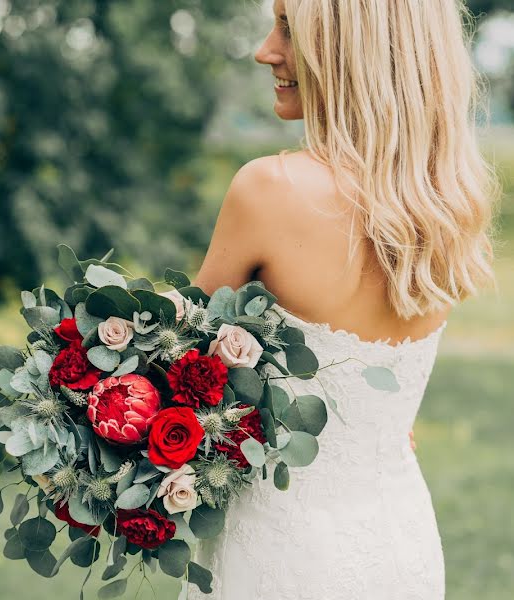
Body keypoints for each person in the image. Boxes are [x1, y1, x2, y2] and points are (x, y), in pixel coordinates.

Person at [189, 0, 498, 598]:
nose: (265, 51)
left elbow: (168, 368)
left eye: (287, 27)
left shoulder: (269, 189)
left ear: (348, 49)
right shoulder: (443, 204)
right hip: (402, 544)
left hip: (283, 550)